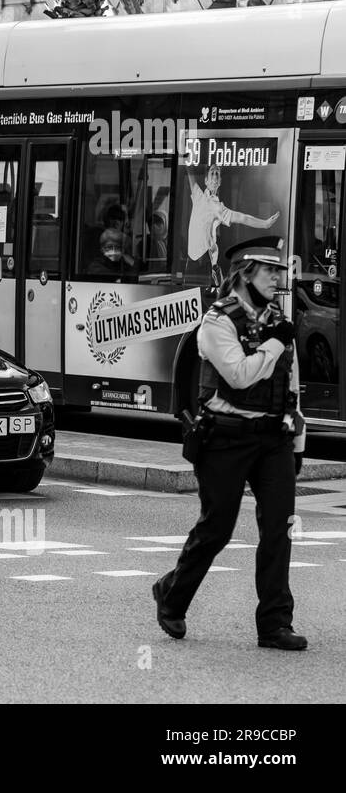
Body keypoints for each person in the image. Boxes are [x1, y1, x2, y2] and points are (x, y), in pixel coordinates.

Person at [153, 236, 307, 651]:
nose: (279, 278)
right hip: (225, 438)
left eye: (280, 271)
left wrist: (297, 445)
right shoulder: (217, 322)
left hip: (273, 438)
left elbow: (290, 387)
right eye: (269, 270)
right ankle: (171, 595)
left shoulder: (277, 319)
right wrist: (276, 342)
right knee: (216, 528)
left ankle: (274, 624)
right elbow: (238, 376)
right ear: (244, 274)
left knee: (280, 529)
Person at [187, 165, 280, 286]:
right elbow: (188, 169)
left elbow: (243, 218)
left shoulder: (219, 208)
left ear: (220, 181)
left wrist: (265, 224)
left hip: (205, 261)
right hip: (190, 261)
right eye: (212, 173)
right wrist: (183, 152)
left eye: (217, 174)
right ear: (206, 180)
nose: (215, 176)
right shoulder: (197, 195)